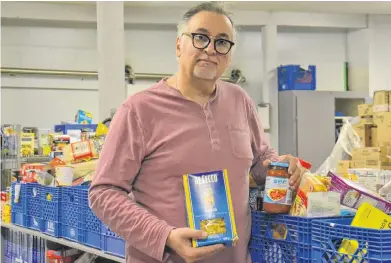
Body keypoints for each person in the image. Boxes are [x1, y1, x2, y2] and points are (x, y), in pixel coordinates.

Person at [89, 2, 302, 263]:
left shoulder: (239, 100)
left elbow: (260, 161)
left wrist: (283, 167)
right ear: (179, 45)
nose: (211, 49)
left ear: (230, 55)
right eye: (201, 38)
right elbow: (104, 193)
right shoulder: (138, 110)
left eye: (222, 42)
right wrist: (164, 235)